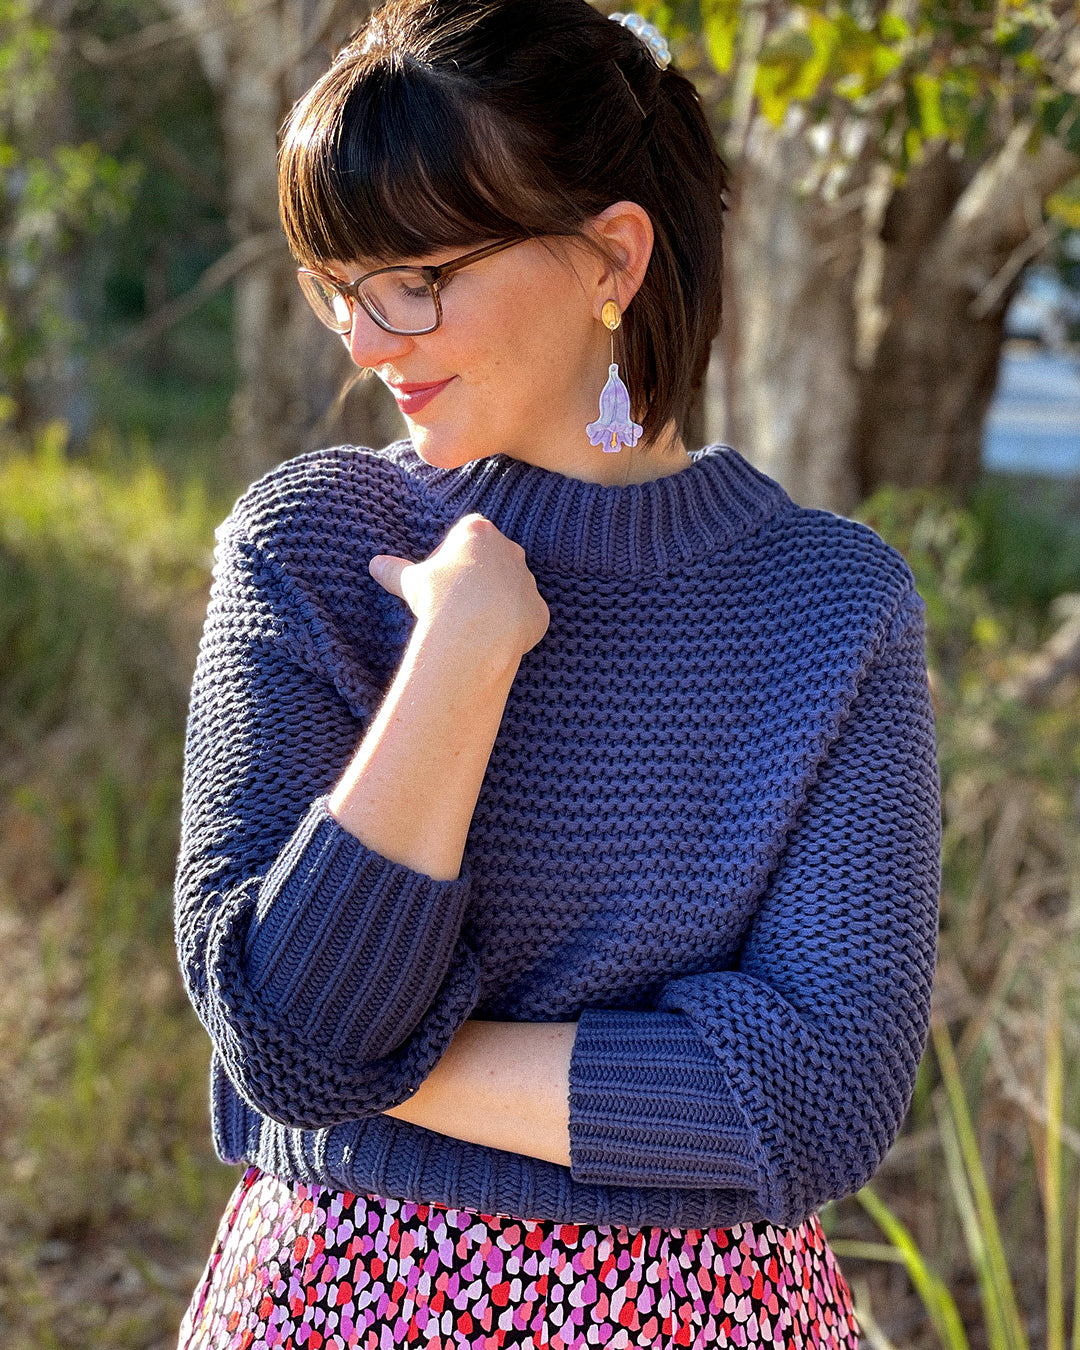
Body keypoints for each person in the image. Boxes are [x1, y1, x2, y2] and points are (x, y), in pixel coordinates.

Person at [173, 0, 941, 1345]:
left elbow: (820, 1096)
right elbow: (290, 1030)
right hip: (339, 1309)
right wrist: (454, 664)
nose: (366, 340)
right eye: (339, 285)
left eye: (416, 277)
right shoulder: (309, 548)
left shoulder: (832, 605)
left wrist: (370, 1068)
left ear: (611, 256)